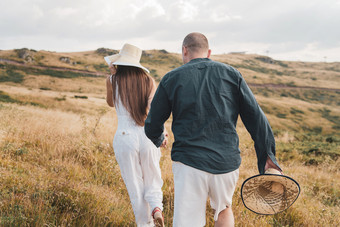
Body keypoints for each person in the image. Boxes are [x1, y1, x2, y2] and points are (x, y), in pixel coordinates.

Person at [144, 32, 282, 226]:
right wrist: (268, 157)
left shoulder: (172, 78)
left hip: (188, 162)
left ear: (184, 50)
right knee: (224, 210)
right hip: (226, 162)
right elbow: (256, 117)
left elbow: (151, 124)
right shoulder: (232, 74)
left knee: (188, 220)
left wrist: (159, 139)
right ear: (208, 52)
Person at [105, 43, 166, 227]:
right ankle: (156, 207)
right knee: (152, 176)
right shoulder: (148, 80)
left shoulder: (112, 80)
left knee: (135, 185)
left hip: (125, 137)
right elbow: (153, 112)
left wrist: (112, 76)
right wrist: (162, 133)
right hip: (147, 135)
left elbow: (110, 103)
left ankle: (144, 224)